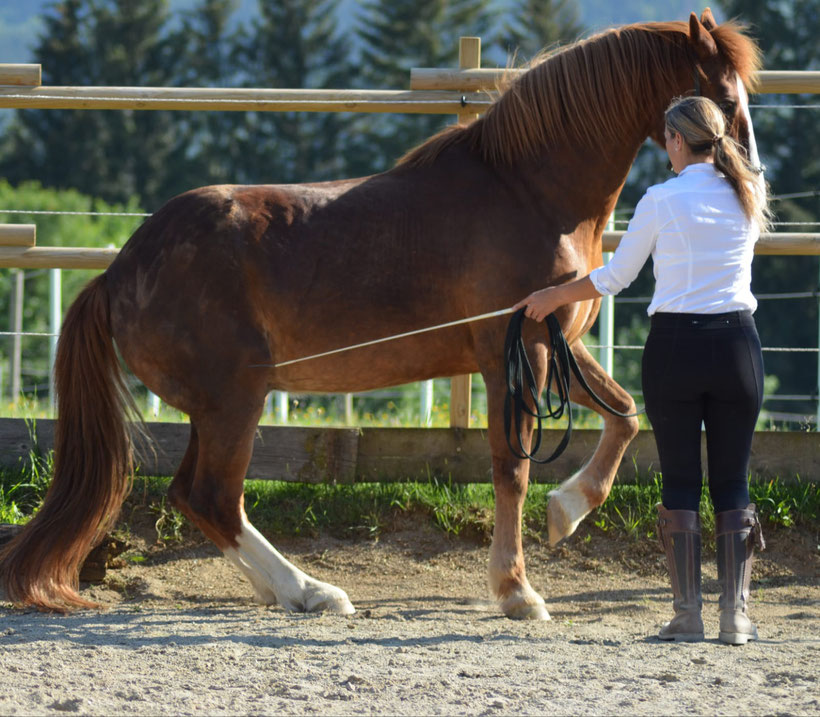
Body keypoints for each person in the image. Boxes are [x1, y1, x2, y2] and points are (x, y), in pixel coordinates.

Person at [513, 95, 770, 645]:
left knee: (680, 479)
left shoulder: (661, 199)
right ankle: (736, 617)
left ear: (676, 141)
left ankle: (687, 615)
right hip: (739, 351)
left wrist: (550, 295)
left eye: (668, 142)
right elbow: (753, 156)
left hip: (676, 348)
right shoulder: (750, 192)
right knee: (733, 480)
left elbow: (614, 277)